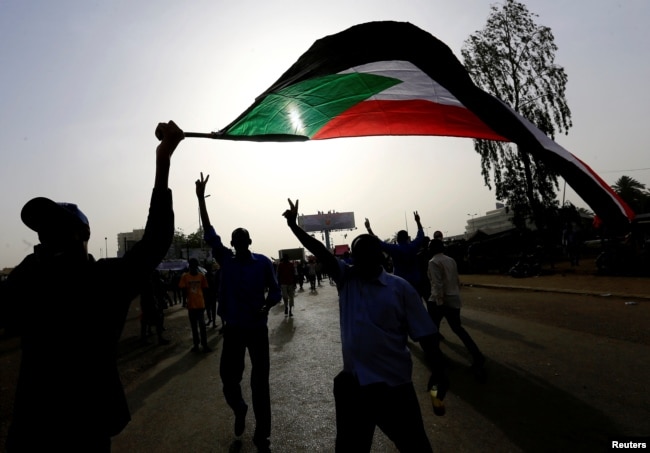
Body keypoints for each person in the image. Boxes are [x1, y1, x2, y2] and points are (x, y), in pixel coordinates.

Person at [1, 120, 184, 452]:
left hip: (85, 430)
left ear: (83, 235)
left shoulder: (103, 279)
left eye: (58, 227)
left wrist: (163, 161)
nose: (47, 235)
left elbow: (155, 241)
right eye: (43, 230)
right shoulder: (29, 278)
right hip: (30, 430)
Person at [283, 199, 448, 453]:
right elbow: (322, 252)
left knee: (415, 446)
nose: (356, 263)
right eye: (355, 258)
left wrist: (438, 370)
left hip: (394, 388)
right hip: (354, 387)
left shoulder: (399, 288)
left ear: (379, 258)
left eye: (363, 257)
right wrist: (294, 226)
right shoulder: (347, 279)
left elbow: (425, 335)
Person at [195, 172, 281, 452]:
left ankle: (263, 434)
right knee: (228, 380)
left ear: (249, 242)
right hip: (233, 329)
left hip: (257, 329)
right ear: (232, 244)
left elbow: (276, 292)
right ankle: (240, 409)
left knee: (261, 382)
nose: (240, 244)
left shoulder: (264, 263)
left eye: (243, 240)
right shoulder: (226, 260)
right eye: (236, 241)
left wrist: (267, 305)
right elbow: (209, 232)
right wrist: (200, 198)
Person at [427, 239, 486, 380]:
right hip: (454, 297)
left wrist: (438, 302)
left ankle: (436, 358)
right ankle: (476, 354)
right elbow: (456, 279)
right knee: (457, 328)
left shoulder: (433, 262)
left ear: (432, 249)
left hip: (442, 300)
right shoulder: (450, 260)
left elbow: (437, 284)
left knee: (432, 328)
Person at [364, 212, 427, 293]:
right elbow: (421, 235)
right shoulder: (414, 246)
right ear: (407, 238)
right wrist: (418, 221)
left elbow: (377, 241)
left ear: (397, 239)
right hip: (416, 280)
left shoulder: (394, 249)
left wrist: (369, 228)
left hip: (400, 281)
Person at [179, 258, 211, 352]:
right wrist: (184, 302)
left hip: (200, 305)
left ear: (197, 266)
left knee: (202, 326)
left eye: (194, 266)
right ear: (190, 266)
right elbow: (184, 290)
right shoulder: (185, 277)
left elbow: (205, 290)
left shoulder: (202, 276)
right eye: (192, 266)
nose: (193, 267)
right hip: (191, 306)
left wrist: (206, 302)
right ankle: (196, 345)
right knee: (194, 327)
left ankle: (204, 345)